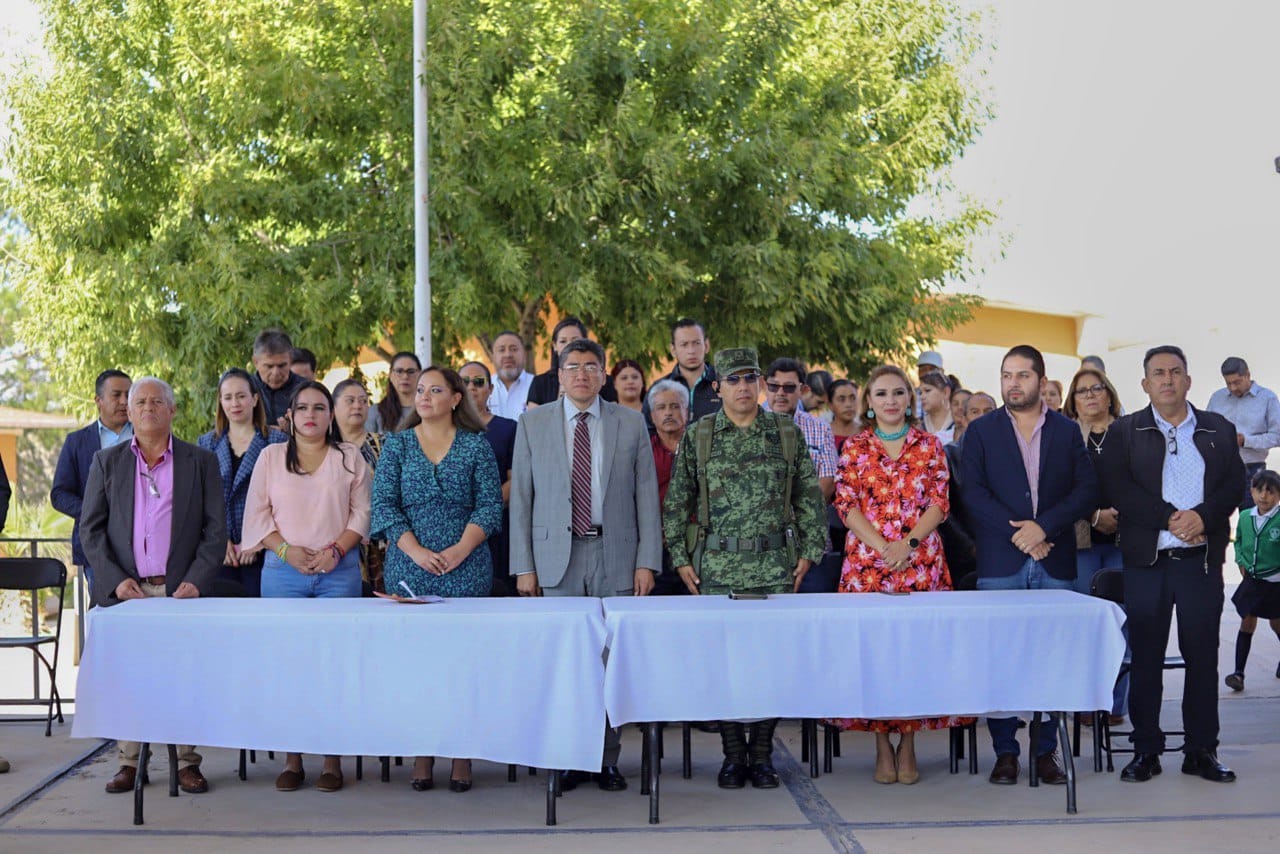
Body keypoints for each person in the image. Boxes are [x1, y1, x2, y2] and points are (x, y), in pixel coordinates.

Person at [662, 347, 825, 791]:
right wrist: (679, 557)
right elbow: (678, 502)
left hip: (774, 566)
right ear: (717, 388)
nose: (743, 387)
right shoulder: (701, 435)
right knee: (723, 665)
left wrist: (809, 552)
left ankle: (763, 753)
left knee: (772, 664)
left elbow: (809, 500)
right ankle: (734, 755)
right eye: (733, 380)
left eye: (750, 379)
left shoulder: (785, 432)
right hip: (717, 567)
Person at [509, 338, 662, 793]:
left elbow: (646, 499)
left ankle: (606, 758)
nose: (581, 374)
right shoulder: (532, 423)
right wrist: (524, 566)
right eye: (572, 367)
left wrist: (647, 561)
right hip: (556, 558)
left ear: (603, 374)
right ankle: (569, 757)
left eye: (590, 367)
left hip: (615, 554)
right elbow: (521, 500)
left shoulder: (630, 423)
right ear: (559, 375)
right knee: (566, 663)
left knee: (608, 663)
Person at [1099, 345, 1243, 784]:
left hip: (1199, 564)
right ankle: (1146, 750)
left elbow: (1235, 483)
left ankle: (1202, 750)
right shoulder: (1125, 431)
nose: (1167, 379)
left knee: (1203, 658)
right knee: (1146, 659)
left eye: (1175, 372)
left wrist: (1204, 516)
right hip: (1148, 562)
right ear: (1145, 384)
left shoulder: (1217, 427)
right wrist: (1169, 518)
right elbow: (1117, 489)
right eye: (1158, 373)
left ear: (1188, 381)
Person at [79, 377, 225, 796]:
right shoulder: (107, 463)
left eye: (156, 401)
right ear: (129, 410)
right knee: (129, 677)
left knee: (183, 676)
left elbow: (215, 531)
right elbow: (90, 531)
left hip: (181, 592)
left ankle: (186, 762)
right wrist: (114, 580)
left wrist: (197, 580)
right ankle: (129, 762)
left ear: (172, 410)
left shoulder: (200, 462)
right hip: (130, 593)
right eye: (139, 401)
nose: (146, 407)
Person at [960, 345, 1098, 787]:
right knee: (1001, 657)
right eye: (1006, 375)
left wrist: (1043, 528)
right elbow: (973, 495)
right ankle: (1005, 752)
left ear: (1041, 380)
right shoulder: (981, 431)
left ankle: (1045, 752)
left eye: (1022, 375)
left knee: (1051, 657)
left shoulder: (1065, 430)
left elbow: (1084, 491)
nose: (1013, 383)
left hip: (1054, 557)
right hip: (1002, 560)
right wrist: (1019, 535)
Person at [828, 365, 970, 784]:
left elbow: (940, 504)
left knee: (915, 655)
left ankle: (907, 742)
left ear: (909, 399)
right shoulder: (854, 447)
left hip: (920, 563)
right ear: (868, 402)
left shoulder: (928, 446)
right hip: (866, 568)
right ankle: (879, 745)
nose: (890, 401)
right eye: (881, 394)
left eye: (898, 393)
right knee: (874, 657)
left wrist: (905, 546)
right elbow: (846, 505)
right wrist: (881, 547)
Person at [373, 366, 502, 792]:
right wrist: (417, 552)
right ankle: (423, 752)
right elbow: (385, 507)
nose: (424, 396)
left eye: (435, 389)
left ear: (455, 399)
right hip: (410, 571)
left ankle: (461, 754)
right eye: (421, 390)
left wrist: (458, 551)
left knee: (461, 666)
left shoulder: (475, 447)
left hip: (466, 570)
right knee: (418, 667)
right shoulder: (396, 446)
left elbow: (488, 507)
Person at [241, 381, 371, 794]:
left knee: (333, 666)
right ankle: (293, 759)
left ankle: (332, 761)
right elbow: (257, 515)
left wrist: (335, 550)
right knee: (289, 667)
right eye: (303, 408)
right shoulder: (270, 457)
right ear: (291, 417)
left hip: (340, 570)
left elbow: (363, 513)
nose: (311, 414)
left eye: (320, 407)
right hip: (283, 574)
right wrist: (284, 551)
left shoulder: (349, 457)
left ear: (331, 415)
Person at [1061, 366, 1128, 724]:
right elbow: (1061, 486)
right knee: (1088, 622)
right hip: (1082, 540)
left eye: (1096, 388)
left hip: (1125, 539)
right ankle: (1087, 702)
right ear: (1073, 401)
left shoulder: (1131, 431)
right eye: (1081, 391)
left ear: (1109, 393)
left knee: (1123, 622)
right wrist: (1094, 515)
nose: (1089, 395)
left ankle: (1116, 704)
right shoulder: (1068, 436)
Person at [197, 368, 288, 598]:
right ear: (220, 402)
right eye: (227, 397)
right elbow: (201, 499)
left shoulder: (277, 440)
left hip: (265, 550)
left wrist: (256, 539)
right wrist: (218, 540)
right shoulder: (207, 443)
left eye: (241, 396)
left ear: (255, 399)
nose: (234, 403)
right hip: (221, 553)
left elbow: (283, 499)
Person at [51, 370, 132, 592]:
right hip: (97, 548)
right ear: (98, 400)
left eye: (128, 394)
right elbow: (59, 495)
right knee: (105, 617)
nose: (124, 401)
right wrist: (95, 512)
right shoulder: (76, 442)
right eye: (116, 395)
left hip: (144, 549)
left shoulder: (147, 437)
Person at [458, 361, 518, 594]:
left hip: (497, 530)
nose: (471, 387)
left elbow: (516, 480)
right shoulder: (444, 431)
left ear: (490, 389)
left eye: (479, 382)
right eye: (464, 382)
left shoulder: (509, 428)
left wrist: (482, 511)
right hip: (454, 530)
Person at [1225, 469, 1280, 692]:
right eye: (1259, 491)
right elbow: (1238, 541)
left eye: (1270, 492)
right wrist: (1240, 560)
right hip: (1252, 579)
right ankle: (1239, 673)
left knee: (1276, 623)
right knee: (1247, 621)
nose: (1264, 496)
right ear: (1251, 491)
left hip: (1275, 581)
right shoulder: (1246, 516)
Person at [333, 378, 388, 593]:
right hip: (337, 541)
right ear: (334, 407)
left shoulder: (385, 444)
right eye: (350, 400)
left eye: (363, 401)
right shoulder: (323, 448)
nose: (358, 405)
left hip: (379, 541)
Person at [1206, 356, 1280, 509]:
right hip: (1221, 468)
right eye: (1228, 383)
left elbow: (1277, 436)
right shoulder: (1217, 398)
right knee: (1215, 518)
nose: (1233, 388)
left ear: (1248, 375)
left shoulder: (1267, 398)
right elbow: (1205, 429)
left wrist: (1246, 441)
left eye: (1237, 382)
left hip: (1252, 470)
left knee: (1251, 519)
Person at [646, 379, 689, 596]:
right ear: (652, 416)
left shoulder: (701, 448)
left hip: (695, 548)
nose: (668, 412)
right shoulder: (643, 452)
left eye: (675, 406)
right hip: (657, 549)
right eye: (661, 408)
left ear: (687, 411)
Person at [526, 317, 618, 407]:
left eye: (575, 340)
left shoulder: (603, 380)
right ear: (554, 346)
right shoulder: (540, 383)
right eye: (563, 341)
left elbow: (613, 416)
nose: (569, 345)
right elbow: (534, 420)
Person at [655, 318, 721, 422]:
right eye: (684, 344)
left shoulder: (726, 385)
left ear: (706, 345)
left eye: (697, 343)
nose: (691, 351)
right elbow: (648, 432)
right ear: (673, 350)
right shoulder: (658, 390)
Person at [250, 329, 307, 429]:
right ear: (256, 362)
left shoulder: (306, 389)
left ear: (291, 361)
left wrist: (294, 429)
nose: (275, 373)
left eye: (282, 366)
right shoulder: (244, 388)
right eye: (269, 366)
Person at [367, 351, 421, 433]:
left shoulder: (429, 410)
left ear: (420, 375)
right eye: (399, 371)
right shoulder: (375, 412)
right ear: (391, 375)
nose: (405, 376)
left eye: (411, 371)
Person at [488, 331, 534, 419]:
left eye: (514, 349)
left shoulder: (537, 385)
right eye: (501, 350)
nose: (508, 355)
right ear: (493, 356)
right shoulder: (484, 388)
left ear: (524, 354)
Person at [918, 372, 954, 443]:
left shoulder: (958, 422)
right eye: (920, 393)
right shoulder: (918, 425)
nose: (922, 397)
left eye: (927, 390)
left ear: (946, 392)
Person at [828, 379, 861, 451]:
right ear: (830, 405)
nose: (848, 404)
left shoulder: (866, 432)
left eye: (853, 398)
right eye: (841, 399)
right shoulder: (822, 433)